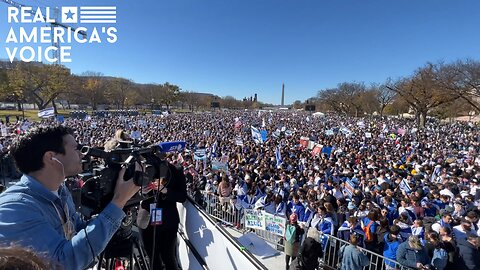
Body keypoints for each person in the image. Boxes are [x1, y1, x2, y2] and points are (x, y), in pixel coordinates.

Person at [0, 126, 140, 270]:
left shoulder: (60, 190)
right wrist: (118, 201)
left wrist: (119, 203)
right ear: (51, 158)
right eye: (76, 148)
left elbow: (78, 231)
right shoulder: (15, 208)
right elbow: (63, 263)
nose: (81, 154)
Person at [138, 159, 187, 270]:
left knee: (168, 256)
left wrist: (165, 191)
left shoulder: (175, 170)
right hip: (146, 220)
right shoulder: (141, 168)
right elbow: (130, 194)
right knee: (152, 257)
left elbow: (182, 196)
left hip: (168, 221)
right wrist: (141, 192)